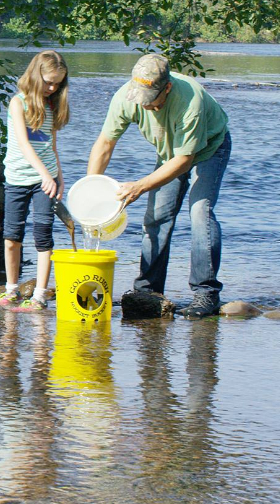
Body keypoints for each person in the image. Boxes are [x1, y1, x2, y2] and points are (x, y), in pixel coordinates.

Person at [87, 53, 230, 317]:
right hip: (169, 154)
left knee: (200, 212)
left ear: (167, 88)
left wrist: (139, 186)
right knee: (157, 216)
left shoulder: (190, 101)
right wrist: (90, 188)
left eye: (151, 102)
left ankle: (206, 294)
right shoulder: (125, 97)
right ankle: (148, 290)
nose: (146, 107)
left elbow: (185, 160)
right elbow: (105, 144)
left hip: (209, 148)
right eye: (141, 101)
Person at [0, 50, 70, 311]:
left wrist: (58, 177)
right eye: (48, 82)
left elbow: (53, 147)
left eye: (57, 83)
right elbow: (25, 145)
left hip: (45, 181)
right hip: (17, 178)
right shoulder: (18, 103)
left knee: (43, 236)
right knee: (12, 235)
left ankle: (38, 296)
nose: (52, 87)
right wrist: (46, 175)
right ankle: (11, 289)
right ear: (36, 76)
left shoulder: (53, 105)